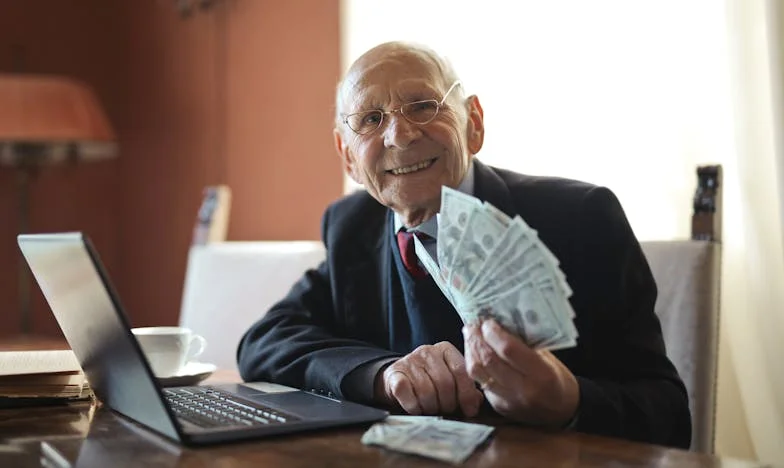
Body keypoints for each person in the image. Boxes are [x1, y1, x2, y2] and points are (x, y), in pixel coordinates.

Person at [237, 41, 691, 448]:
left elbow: (669, 415)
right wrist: (383, 374)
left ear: (474, 123)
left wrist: (567, 399)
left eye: (421, 105)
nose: (400, 134)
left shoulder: (581, 217)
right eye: (372, 119)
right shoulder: (352, 224)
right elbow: (265, 341)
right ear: (348, 156)